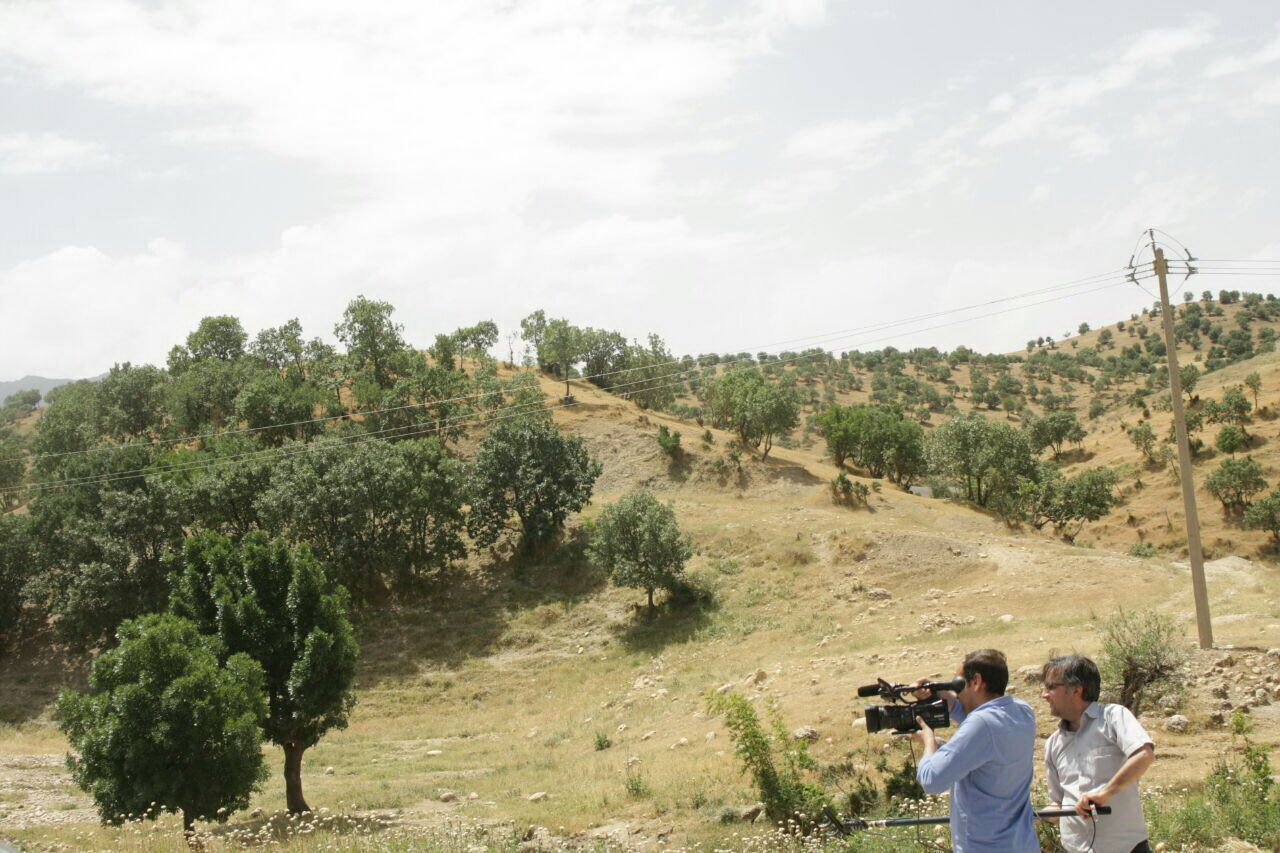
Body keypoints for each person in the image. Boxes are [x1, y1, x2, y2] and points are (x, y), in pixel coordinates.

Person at [911, 648, 1038, 852]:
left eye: (958, 684)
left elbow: (931, 780)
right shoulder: (1022, 711)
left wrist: (928, 741)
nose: (956, 691)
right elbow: (979, 721)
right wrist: (943, 695)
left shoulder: (982, 725)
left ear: (976, 681)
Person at [1041, 654, 1155, 853]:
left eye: (1051, 687)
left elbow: (1143, 755)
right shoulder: (1053, 743)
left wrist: (1105, 794)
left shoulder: (1113, 717)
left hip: (1125, 848)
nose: (1044, 695)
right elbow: (1058, 804)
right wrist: (1030, 815)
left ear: (1076, 689)